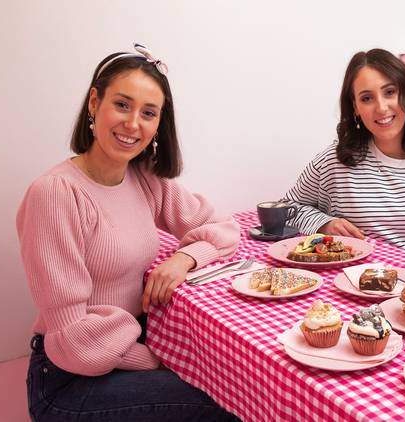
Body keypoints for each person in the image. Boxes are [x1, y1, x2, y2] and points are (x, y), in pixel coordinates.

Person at [16, 44, 241, 421]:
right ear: (94, 102)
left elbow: (223, 228)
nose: (133, 124)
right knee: (230, 401)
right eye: (122, 105)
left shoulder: (144, 178)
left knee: (234, 381)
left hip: (125, 350)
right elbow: (75, 339)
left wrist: (185, 258)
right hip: (71, 378)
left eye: (148, 113)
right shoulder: (55, 193)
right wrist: (159, 360)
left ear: (158, 125)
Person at [284, 48, 405, 268]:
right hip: (340, 287)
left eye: (390, 92)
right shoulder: (335, 159)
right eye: (367, 98)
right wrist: (324, 224)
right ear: (355, 107)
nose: (381, 108)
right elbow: (287, 209)